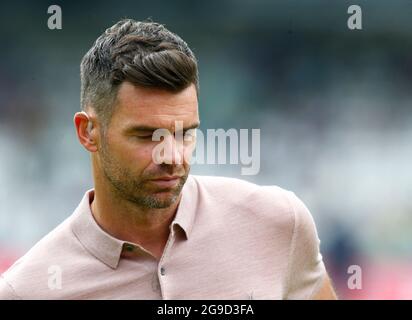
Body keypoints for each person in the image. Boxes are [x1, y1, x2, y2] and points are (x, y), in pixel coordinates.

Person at [0, 18, 337, 299]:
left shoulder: (277, 222)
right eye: (147, 136)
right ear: (88, 132)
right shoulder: (27, 291)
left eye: (185, 133)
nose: (172, 156)